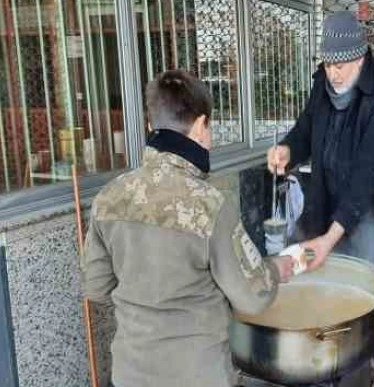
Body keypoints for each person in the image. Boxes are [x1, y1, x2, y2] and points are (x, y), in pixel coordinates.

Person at [81, 69, 293, 387]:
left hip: (130, 375)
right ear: (199, 127)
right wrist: (278, 267)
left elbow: (96, 287)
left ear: (151, 125)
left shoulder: (108, 198)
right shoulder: (210, 205)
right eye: (210, 128)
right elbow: (254, 297)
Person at [267, 11, 374, 387]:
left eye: (342, 64)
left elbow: (370, 172)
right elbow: (306, 129)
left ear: (361, 57)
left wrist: (330, 238)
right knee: (328, 314)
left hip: (373, 226)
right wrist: (288, 150)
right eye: (329, 63)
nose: (335, 73)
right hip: (325, 217)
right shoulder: (322, 85)